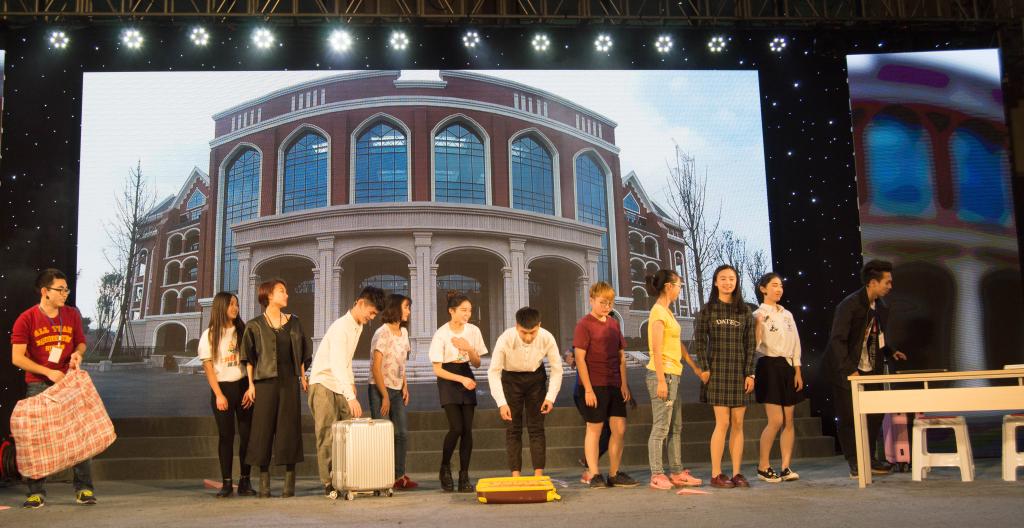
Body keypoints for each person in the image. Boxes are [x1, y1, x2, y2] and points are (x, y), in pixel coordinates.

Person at [11, 268, 95, 508]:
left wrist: (77, 354)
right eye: (60, 289)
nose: (65, 294)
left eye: (66, 289)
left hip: (68, 382)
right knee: (37, 438)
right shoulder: (27, 318)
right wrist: (47, 372)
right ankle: (36, 492)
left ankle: (84, 489)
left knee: (79, 434)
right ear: (45, 291)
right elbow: (17, 358)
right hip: (38, 385)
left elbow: (80, 343)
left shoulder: (71, 314)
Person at [826, 259, 907, 478]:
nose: (890, 286)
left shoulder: (880, 307)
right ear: (872, 282)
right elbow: (837, 340)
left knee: (875, 414)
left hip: (871, 368)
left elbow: (876, 336)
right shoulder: (850, 305)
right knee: (848, 417)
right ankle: (855, 462)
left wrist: (890, 351)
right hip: (847, 370)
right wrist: (848, 369)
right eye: (887, 282)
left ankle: (869, 457)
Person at [310, 286, 385, 499]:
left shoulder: (357, 326)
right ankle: (329, 483)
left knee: (348, 432)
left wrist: (351, 384)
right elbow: (336, 363)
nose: (371, 318)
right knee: (327, 434)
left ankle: (347, 477)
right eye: (371, 312)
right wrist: (350, 397)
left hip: (339, 383)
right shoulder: (341, 327)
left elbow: (346, 360)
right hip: (323, 383)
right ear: (360, 303)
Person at [240, 279, 312, 498]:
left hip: (289, 381)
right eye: (282, 291)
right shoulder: (254, 325)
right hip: (264, 382)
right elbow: (249, 358)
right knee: (262, 429)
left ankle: (289, 482)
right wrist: (250, 385)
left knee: (289, 428)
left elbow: (302, 351)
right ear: (269, 295)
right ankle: (264, 482)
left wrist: (302, 376)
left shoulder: (294, 322)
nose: (286, 294)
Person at [693, 264, 756, 489]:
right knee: (723, 423)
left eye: (732, 278)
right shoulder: (708, 310)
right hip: (717, 372)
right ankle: (716, 474)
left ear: (736, 282)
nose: (728, 282)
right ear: (715, 282)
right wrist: (704, 368)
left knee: (738, 423)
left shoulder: (745, 311)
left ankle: (737, 473)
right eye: (723, 278)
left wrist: (750, 373)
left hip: (740, 372)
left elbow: (751, 345)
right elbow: (700, 343)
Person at [644, 269, 704, 490]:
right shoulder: (658, 312)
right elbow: (656, 349)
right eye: (679, 286)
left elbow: (676, 344)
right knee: (661, 427)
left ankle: (677, 472)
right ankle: (657, 474)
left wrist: (694, 367)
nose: (680, 290)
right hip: (664, 375)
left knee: (675, 426)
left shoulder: (668, 312)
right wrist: (661, 380)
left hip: (673, 374)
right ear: (668, 286)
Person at [575, 281, 637, 489]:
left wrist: (624, 385)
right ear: (591, 300)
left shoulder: (613, 324)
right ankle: (594, 474)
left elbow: (621, 356)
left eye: (610, 303)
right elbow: (580, 358)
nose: (606, 306)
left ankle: (614, 473)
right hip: (595, 384)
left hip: (614, 384)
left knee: (619, 428)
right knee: (594, 429)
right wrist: (588, 389)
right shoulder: (584, 325)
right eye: (602, 302)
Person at [487, 307, 563, 477]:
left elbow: (557, 369)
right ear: (517, 326)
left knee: (537, 427)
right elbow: (493, 372)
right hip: (511, 380)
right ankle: (515, 475)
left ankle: (538, 474)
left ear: (539, 326)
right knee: (513, 428)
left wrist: (550, 397)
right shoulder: (505, 338)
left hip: (536, 380)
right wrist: (501, 403)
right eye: (524, 332)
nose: (528, 337)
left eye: (532, 332)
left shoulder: (547, 337)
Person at [429, 291, 488, 493]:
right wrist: (461, 379)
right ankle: (445, 467)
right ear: (451, 311)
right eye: (463, 310)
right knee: (456, 428)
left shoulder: (473, 331)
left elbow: (477, 363)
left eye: (469, 310)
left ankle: (464, 475)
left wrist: (469, 349)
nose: (467, 314)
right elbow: (437, 369)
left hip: (466, 372)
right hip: (448, 378)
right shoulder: (441, 334)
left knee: (467, 430)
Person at [199, 291, 256, 497]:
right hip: (222, 389)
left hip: (243, 387)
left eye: (236, 304)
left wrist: (251, 386)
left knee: (247, 436)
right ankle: (226, 482)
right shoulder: (210, 334)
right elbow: (208, 367)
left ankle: (245, 481)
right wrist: (218, 395)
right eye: (231, 304)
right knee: (226, 436)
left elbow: (251, 361)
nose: (235, 308)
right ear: (220, 307)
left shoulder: (243, 331)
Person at [752, 273, 804, 483]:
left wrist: (797, 370)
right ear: (763, 289)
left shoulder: (787, 314)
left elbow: (796, 343)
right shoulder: (757, 314)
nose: (779, 289)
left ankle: (785, 467)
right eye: (774, 285)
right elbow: (754, 346)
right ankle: (763, 466)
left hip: (788, 366)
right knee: (776, 420)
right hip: (769, 365)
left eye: (781, 285)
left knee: (789, 420)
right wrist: (758, 324)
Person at [368, 293, 417, 490]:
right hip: (380, 389)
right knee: (382, 435)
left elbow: (401, 362)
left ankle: (399, 477)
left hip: (397, 389)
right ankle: (381, 477)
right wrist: (385, 396)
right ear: (395, 308)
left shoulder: (403, 333)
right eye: (406, 307)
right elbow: (376, 368)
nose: (409, 311)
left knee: (402, 434)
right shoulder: (382, 332)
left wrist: (405, 385)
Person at [566, 347, 611, 475]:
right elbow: (568, 353)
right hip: (585, 393)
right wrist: (571, 359)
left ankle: (589, 465)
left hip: (599, 391)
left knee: (607, 431)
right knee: (597, 429)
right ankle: (590, 468)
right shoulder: (585, 339)